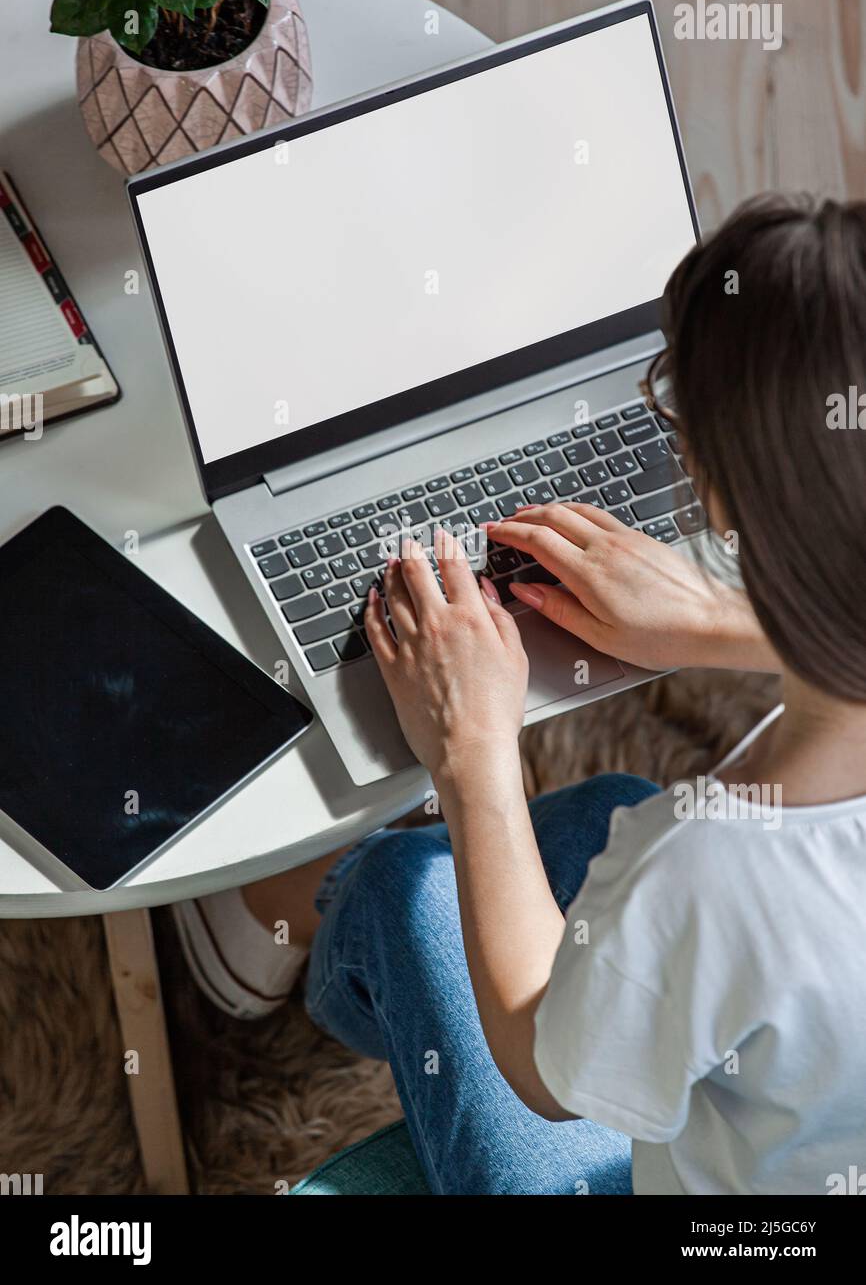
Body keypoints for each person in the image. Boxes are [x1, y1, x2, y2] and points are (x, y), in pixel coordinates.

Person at [174, 194, 866, 1194]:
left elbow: (546, 1067)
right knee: (596, 817)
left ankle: (254, 943)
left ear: (722, 493)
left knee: (399, 888)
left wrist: (473, 752)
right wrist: (717, 621)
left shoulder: (707, 871)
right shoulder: (711, 878)